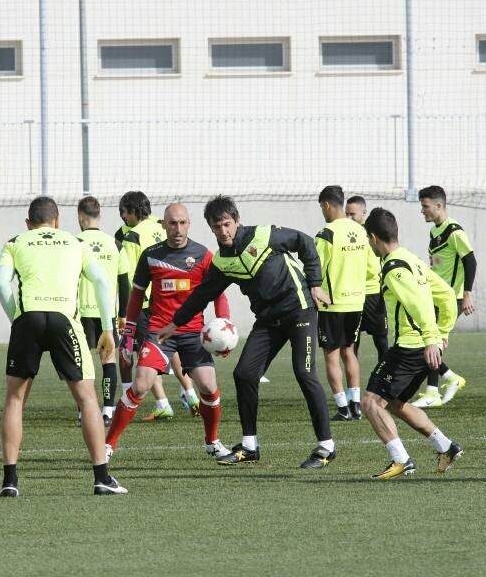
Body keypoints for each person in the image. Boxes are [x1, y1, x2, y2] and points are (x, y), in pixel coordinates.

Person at [158, 195, 337, 469]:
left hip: (299, 309)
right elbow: (202, 294)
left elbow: (305, 242)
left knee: (304, 372)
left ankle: (326, 447)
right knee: (244, 374)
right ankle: (250, 446)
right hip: (268, 320)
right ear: (210, 227)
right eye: (217, 227)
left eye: (227, 224)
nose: (223, 231)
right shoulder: (222, 261)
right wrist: (175, 322)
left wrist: (314, 283)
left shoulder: (264, 236)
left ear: (237, 221)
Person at [0, 196, 126, 496]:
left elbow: (2, 283)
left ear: (28, 223)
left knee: (15, 399)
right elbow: (102, 282)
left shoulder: (15, 242)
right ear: (56, 221)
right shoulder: (74, 241)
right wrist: (107, 328)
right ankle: (101, 477)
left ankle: (10, 482)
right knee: (87, 399)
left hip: (27, 319)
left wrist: (16, 316)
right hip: (64, 321)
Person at [106, 203, 231, 459]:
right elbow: (136, 296)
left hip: (194, 333)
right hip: (158, 333)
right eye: (172, 223)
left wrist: (224, 327)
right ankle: (107, 445)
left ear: (189, 224)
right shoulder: (151, 255)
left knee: (208, 386)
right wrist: (128, 335)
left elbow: (218, 294)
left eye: (183, 222)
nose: (178, 228)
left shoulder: (203, 255)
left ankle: (212, 441)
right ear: (163, 224)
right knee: (140, 386)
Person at [362, 207, 463, 479]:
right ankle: (446, 446)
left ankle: (401, 460)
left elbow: (418, 304)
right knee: (395, 403)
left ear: (373, 238)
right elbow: (445, 294)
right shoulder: (413, 260)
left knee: (371, 402)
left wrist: (433, 339)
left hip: (409, 347)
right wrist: (442, 333)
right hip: (421, 345)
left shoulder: (394, 268)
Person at [119, 191, 197, 420]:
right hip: (170, 299)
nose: (123, 218)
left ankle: (163, 402)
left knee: (148, 354)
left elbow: (134, 275)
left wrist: (126, 312)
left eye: (124, 212)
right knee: (168, 348)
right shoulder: (160, 225)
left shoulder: (133, 236)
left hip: (146, 304)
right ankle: (191, 395)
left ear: (133, 211)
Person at [412, 185, 474, 407]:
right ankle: (449, 378)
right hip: (435, 296)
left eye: (425, 206)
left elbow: (470, 261)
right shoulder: (434, 232)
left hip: (451, 298)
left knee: (431, 341)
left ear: (439, 206)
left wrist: (467, 294)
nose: (422, 211)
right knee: (426, 340)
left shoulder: (455, 232)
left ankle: (432, 392)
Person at [315, 186, 367, 421]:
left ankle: (343, 408)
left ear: (326, 205)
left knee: (331, 355)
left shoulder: (326, 233)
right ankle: (356, 405)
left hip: (333, 304)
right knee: (350, 352)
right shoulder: (360, 231)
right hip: (357, 301)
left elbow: (314, 268)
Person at [76, 196, 130, 426]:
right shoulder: (115, 244)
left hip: (80, 312)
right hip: (107, 314)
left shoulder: (74, 242)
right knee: (108, 361)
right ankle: (108, 410)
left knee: (81, 363)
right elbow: (125, 282)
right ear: (100, 216)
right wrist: (123, 314)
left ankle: (83, 410)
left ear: (80, 217)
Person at [345, 196, 389, 372]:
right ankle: (353, 389)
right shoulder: (344, 234)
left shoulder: (373, 233)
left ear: (364, 213)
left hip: (373, 294)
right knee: (352, 344)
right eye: (346, 214)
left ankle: (384, 382)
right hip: (353, 295)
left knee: (381, 341)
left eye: (352, 214)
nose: (348, 218)